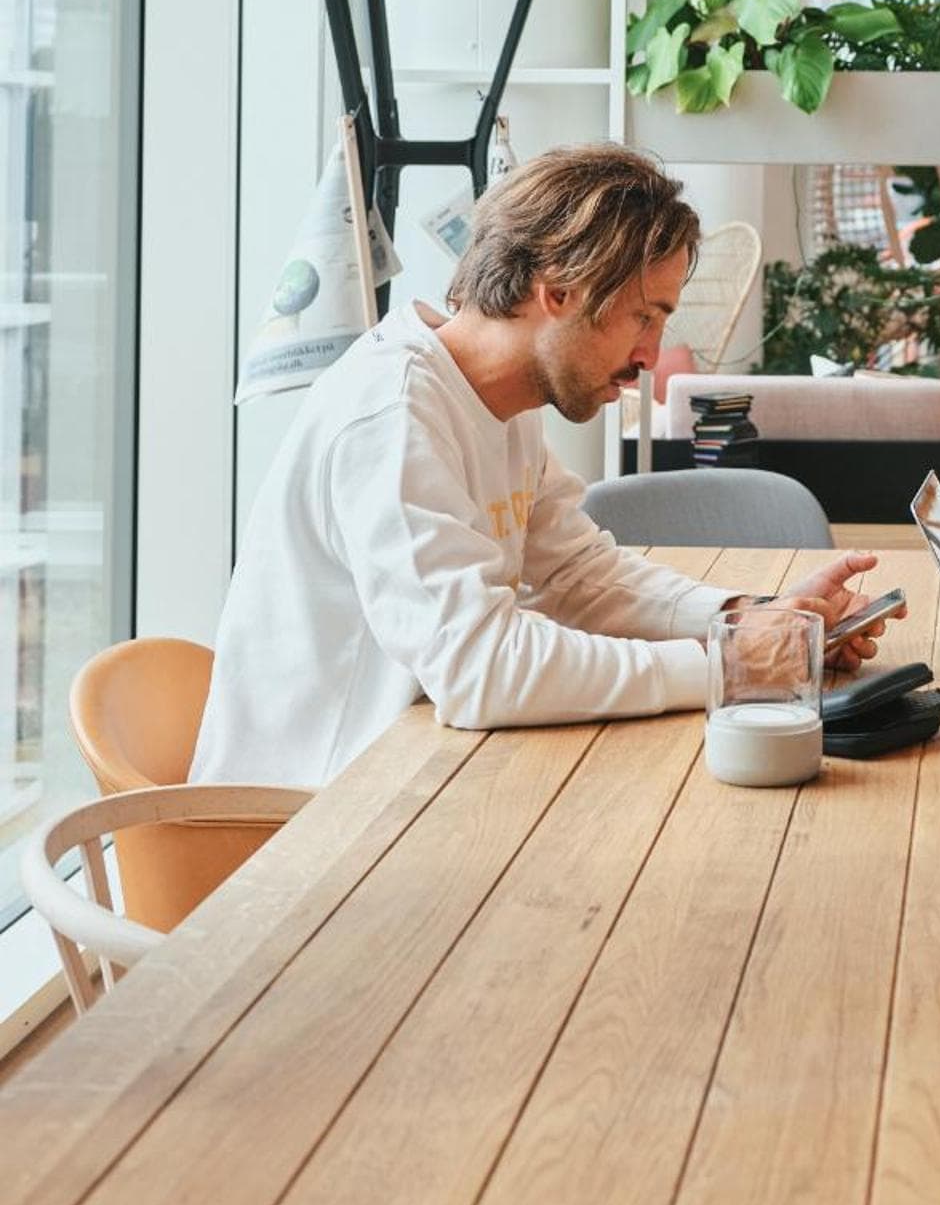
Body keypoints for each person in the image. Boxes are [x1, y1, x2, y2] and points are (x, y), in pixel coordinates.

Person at [191, 145, 887, 788]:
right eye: (644, 317)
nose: (652, 356)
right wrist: (731, 668)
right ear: (559, 291)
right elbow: (482, 671)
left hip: (413, 777)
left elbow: (578, 577)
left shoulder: (500, 399)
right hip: (304, 827)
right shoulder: (394, 415)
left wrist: (751, 622)